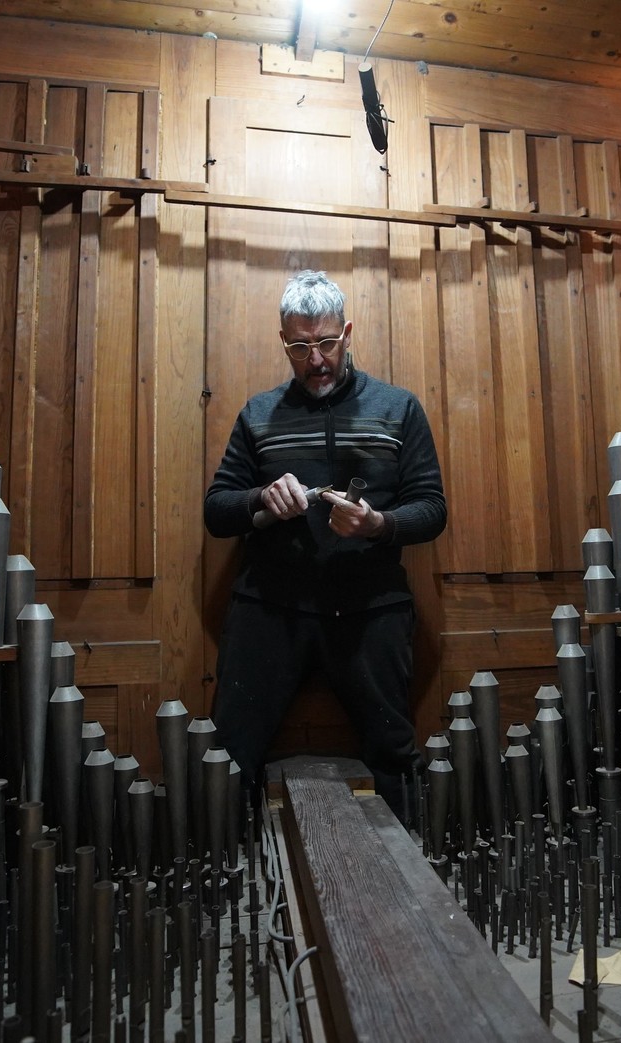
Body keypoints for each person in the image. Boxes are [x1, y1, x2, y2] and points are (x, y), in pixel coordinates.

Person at [203, 270, 447, 822]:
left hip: (371, 608)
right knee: (232, 756)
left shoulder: (398, 408)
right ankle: (225, 894)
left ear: (348, 331)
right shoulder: (258, 413)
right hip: (269, 608)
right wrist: (261, 499)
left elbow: (432, 508)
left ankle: (411, 891)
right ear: (283, 341)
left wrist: (377, 523)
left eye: (327, 342)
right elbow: (216, 511)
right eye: (300, 345)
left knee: (392, 756)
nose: (316, 359)